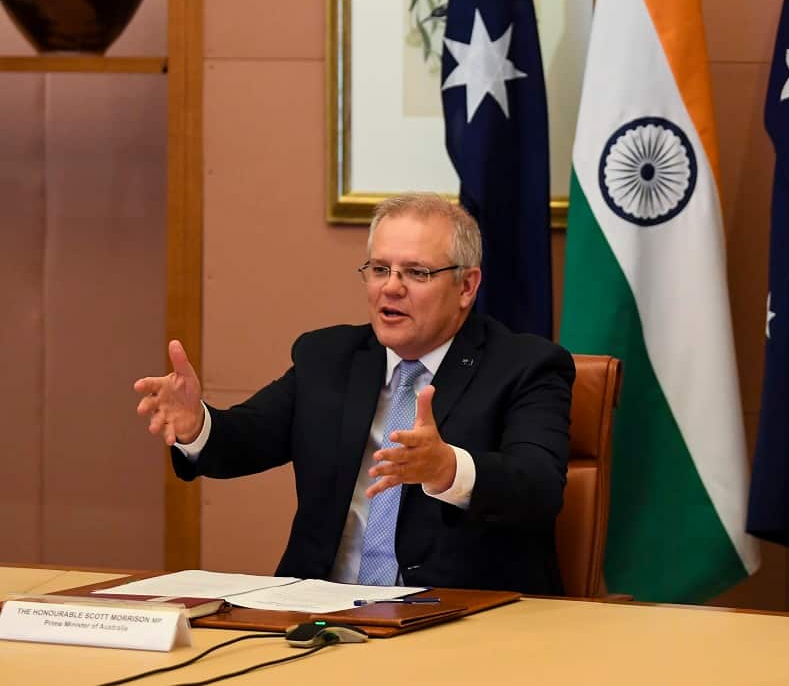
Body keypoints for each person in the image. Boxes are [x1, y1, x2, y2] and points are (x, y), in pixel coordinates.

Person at [134, 193, 573, 594]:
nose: (391, 287)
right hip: (320, 613)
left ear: (466, 287)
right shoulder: (329, 357)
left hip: (458, 619)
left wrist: (447, 469)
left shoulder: (526, 366)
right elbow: (246, 439)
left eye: (416, 272)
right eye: (379, 269)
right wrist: (198, 426)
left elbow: (538, 488)